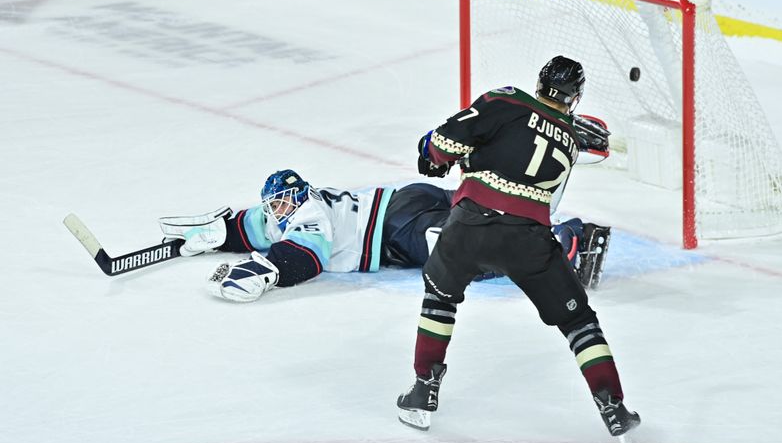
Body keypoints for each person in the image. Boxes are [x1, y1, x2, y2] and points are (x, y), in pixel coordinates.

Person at [395, 55, 640, 443]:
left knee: (440, 298)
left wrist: (432, 155)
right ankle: (613, 407)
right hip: (528, 238)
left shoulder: (505, 100)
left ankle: (424, 390)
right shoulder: (569, 140)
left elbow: (443, 143)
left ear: (540, 82)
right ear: (575, 98)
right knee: (580, 322)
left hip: (469, 227)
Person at [159, 168, 612, 303]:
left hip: (395, 231)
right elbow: (251, 223)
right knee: (483, 206)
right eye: (273, 206)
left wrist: (267, 271)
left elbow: (308, 256)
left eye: (281, 204)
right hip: (405, 198)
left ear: (297, 197)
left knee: (462, 254)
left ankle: (568, 242)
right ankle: (538, 199)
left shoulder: (309, 211)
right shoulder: (285, 208)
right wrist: (218, 234)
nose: (275, 212)